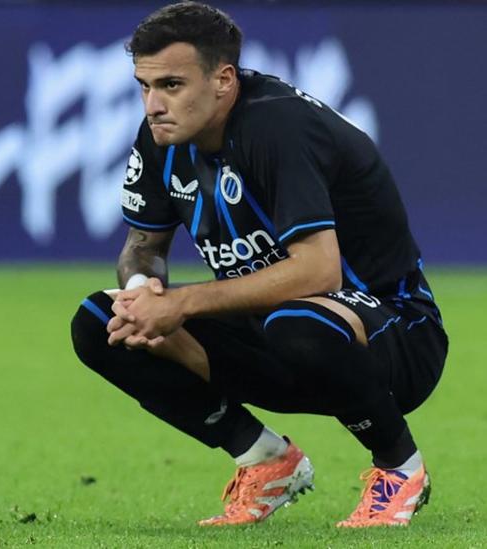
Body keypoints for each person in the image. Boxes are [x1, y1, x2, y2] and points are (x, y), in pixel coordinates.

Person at [70, 1, 448, 528]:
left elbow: (319, 274)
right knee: (103, 322)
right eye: (144, 85)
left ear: (223, 79)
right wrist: (143, 293)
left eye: (172, 85)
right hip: (276, 337)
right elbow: (143, 245)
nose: (153, 104)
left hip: (393, 338)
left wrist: (182, 302)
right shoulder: (162, 137)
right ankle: (265, 460)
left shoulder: (279, 127)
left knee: (299, 319)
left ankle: (399, 467)